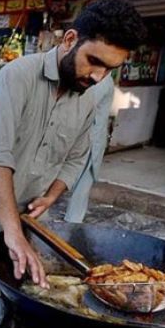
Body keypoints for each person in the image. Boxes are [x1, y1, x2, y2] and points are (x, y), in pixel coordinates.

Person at [0, 0, 146, 286]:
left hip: (28, 222)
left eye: (109, 69)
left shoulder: (87, 98)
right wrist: (12, 231)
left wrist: (51, 195)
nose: (99, 77)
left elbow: (75, 158)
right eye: (94, 62)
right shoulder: (16, 76)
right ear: (70, 39)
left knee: (10, 299)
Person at [64, 77, 115, 223]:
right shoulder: (101, 79)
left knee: (84, 180)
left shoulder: (103, 81)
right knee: (79, 179)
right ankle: (72, 219)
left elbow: (85, 105)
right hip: (86, 136)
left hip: (91, 136)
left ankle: (73, 221)